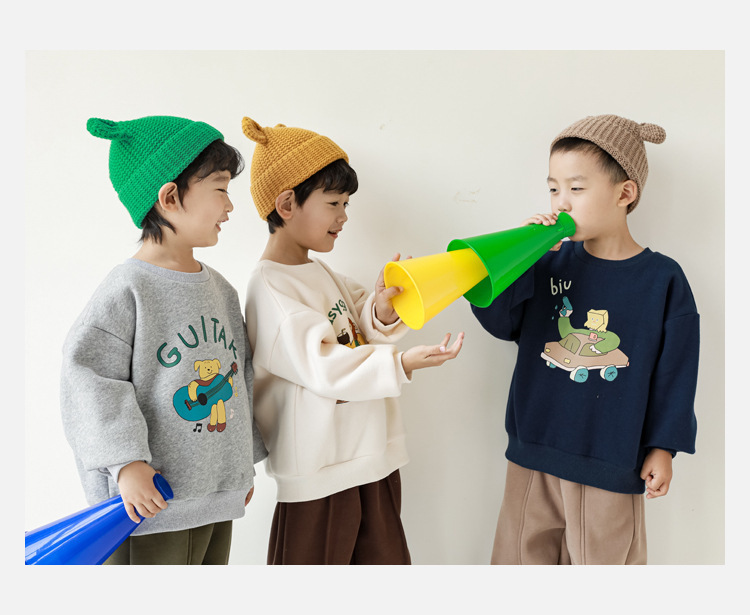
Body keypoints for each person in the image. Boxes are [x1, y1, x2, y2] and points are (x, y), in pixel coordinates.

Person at [470, 114, 699, 565]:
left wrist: (663, 447)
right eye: (553, 189)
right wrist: (522, 257)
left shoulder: (662, 279)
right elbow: (499, 323)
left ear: (624, 193)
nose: (561, 202)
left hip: (610, 458)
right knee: (517, 563)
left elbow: (676, 372)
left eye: (576, 188)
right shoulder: (547, 262)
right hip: (533, 451)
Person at [241, 117, 464, 564]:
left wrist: (381, 309)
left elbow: (354, 327)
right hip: (322, 474)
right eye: (333, 203)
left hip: (368, 458)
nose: (344, 216)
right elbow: (323, 366)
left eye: (346, 203)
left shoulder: (318, 271)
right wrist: (400, 364)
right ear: (287, 204)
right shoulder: (271, 289)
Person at [61, 115, 267, 565]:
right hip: (149, 506)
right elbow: (88, 379)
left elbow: (240, 380)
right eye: (220, 189)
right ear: (170, 197)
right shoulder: (129, 288)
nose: (230, 206)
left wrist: (241, 466)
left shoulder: (221, 290)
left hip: (214, 497)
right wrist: (125, 463)